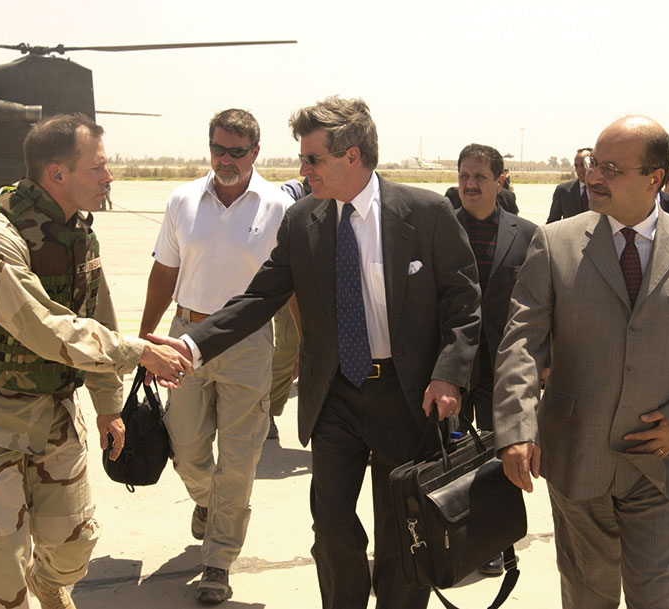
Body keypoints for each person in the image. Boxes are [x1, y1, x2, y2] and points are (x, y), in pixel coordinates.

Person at [148, 96, 480, 609]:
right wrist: (192, 345)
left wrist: (448, 374)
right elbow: (261, 296)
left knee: (401, 529)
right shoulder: (303, 219)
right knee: (329, 527)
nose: (302, 170)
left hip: (405, 395)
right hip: (336, 396)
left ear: (352, 156)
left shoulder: (425, 212)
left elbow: (464, 300)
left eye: (312, 159)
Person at [0, 113, 191, 609]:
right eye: (99, 168)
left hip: (53, 416)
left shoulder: (79, 236)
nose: (109, 177)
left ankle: (49, 584)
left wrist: (110, 405)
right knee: (2, 566)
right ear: (57, 174)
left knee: (74, 549)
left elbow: (99, 316)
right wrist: (139, 353)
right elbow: (46, 328)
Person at [493, 116, 669, 609]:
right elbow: (522, 342)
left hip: (660, 463)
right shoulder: (555, 242)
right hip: (576, 455)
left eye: (610, 168)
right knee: (587, 592)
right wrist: (517, 427)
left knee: (658, 592)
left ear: (654, 177)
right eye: (592, 165)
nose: (593, 177)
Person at [137, 109, 293, 603]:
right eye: (218, 149)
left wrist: (309, 349)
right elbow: (165, 271)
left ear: (256, 153)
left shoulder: (277, 207)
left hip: (248, 345)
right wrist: (144, 339)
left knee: (240, 457)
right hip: (186, 337)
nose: (226, 160)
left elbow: (292, 289)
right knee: (185, 450)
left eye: (237, 152)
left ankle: (218, 560)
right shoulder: (182, 199)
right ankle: (207, 502)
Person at [454, 143, 537, 576]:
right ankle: (447, 536)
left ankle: (493, 541)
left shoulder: (526, 234)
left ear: (499, 181)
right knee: (448, 451)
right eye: (464, 175)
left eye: (479, 177)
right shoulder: (439, 227)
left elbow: (539, 303)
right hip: (449, 363)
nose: (470, 184)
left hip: (501, 363)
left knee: (495, 452)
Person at [268, 178, 311, 439]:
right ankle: (267, 413)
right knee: (287, 351)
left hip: (323, 289)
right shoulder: (289, 196)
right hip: (292, 290)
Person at [546, 147, 592, 223]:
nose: (579, 170)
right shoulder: (563, 191)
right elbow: (552, 223)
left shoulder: (603, 190)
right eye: (576, 166)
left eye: (583, 165)